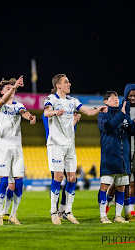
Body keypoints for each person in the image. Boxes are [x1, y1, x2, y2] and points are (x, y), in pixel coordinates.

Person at [43, 73, 107, 225]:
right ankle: (53, 211)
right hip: (56, 144)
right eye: (66, 82)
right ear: (58, 85)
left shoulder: (73, 101)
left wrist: (99, 109)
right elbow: (46, 112)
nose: (69, 84)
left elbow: (89, 111)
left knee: (72, 178)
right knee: (58, 177)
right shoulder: (51, 99)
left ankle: (67, 211)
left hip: (70, 145)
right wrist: (55, 112)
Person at [0, 76, 36, 226]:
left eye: (12, 88)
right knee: (4, 181)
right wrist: (14, 86)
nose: (11, 90)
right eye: (8, 88)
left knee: (19, 183)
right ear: (2, 92)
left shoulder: (18, 105)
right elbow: (3, 100)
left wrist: (29, 117)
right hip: (3, 147)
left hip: (17, 147)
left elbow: (23, 112)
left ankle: (13, 214)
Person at [97, 90, 135, 223]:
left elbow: (131, 130)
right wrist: (122, 114)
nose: (116, 99)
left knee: (121, 187)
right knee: (105, 186)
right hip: (109, 157)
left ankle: (118, 216)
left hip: (123, 158)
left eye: (116, 97)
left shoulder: (123, 114)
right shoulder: (103, 115)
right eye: (112, 98)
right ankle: (103, 216)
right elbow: (110, 127)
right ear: (105, 101)